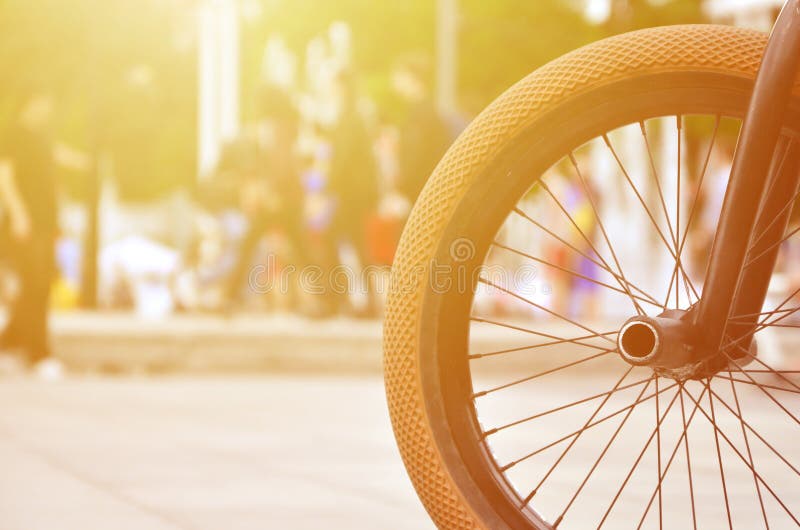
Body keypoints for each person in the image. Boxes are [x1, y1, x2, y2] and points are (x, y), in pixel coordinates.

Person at [0, 87, 88, 374]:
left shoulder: (40, 138)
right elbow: (5, 175)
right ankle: (38, 353)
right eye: (44, 104)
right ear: (30, 104)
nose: (47, 110)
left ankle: (11, 339)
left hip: (45, 221)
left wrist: (87, 162)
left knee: (40, 283)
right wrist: (18, 214)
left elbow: (58, 154)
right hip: (25, 222)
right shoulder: (14, 135)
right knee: (35, 283)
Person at [327, 70, 380, 316]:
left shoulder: (349, 118)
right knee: (357, 244)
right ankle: (363, 300)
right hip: (355, 192)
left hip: (350, 192)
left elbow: (344, 156)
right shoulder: (354, 116)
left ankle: (340, 298)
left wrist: (329, 184)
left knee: (333, 238)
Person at [392, 55, 452, 204]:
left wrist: (401, 185)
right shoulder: (426, 110)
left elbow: (415, 154)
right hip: (425, 189)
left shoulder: (420, 114)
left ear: (413, 78)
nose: (395, 82)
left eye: (400, 76)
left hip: (421, 191)